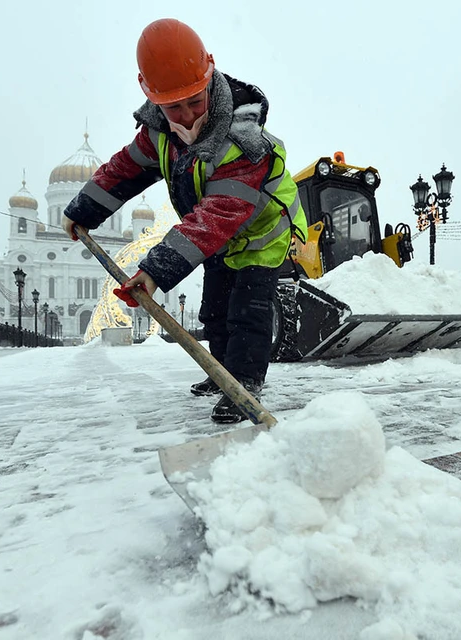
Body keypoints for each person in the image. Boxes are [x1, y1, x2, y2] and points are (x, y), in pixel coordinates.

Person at [61, 18, 307, 423]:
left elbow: (219, 213)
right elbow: (125, 170)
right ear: (151, 96)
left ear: (209, 77)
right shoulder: (159, 132)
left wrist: (156, 270)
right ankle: (221, 373)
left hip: (261, 232)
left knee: (248, 311)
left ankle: (242, 386)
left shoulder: (244, 141)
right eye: (174, 105)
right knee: (214, 310)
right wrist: (81, 211)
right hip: (216, 236)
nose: (188, 114)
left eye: (196, 100)